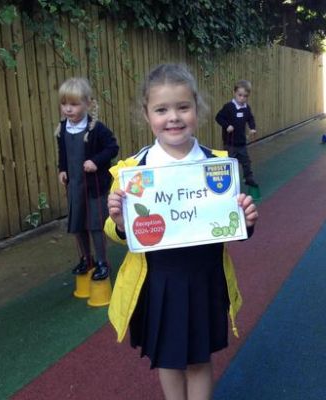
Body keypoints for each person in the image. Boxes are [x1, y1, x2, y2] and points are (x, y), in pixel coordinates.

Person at [105, 64, 258, 400]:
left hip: (205, 276)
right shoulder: (133, 171)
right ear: (146, 114)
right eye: (161, 110)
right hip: (159, 280)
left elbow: (233, 224)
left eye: (183, 107)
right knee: (168, 359)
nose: (173, 117)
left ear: (197, 110)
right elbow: (116, 230)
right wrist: (119, 222)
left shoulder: (217, 165)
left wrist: (246, 221)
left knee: (199, 360)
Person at [55, 77, 119, 281]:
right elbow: (63, 152)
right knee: (78, 224)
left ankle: (102, 262)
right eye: (64, 104)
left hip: (94, 187)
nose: (68, 109)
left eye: (74, 104)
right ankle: (86, 259)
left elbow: (112, 148)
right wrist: (62, 169)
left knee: (95, 225)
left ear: (87, 104)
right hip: (74, 186)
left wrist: (96, 161)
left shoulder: (96, 129)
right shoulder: (63, 128)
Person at [215, 79, 259, 188]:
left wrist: (252, 128)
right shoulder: (228, 107)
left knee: (246, 162)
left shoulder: (246, 108)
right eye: (240, 95)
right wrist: (227, 126)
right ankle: (228, 183)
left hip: (241, 143)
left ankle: (248, 178)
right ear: (234, 93)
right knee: (230, 164)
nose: (242, 98)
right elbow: (218, 117)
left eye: (245, 96)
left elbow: (250, 119)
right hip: (229, 143)